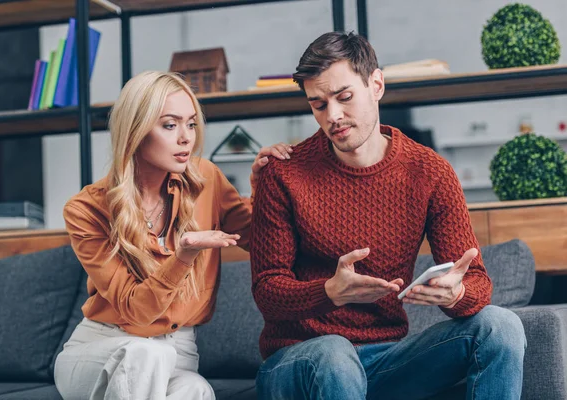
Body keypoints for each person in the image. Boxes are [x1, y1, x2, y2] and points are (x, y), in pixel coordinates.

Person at [250, 31, 526, 400]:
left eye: (344, 97)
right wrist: (330, 291)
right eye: (318, 105)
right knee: (334, 354)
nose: (333, 116)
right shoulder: (282, 173)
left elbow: (476, 284)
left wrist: (455, 292)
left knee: (500, 326)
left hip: (385, 359)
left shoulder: (430, 172)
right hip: (299, 360)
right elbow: (267, 291)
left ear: (376, 84)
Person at [54, 71, 292, 400]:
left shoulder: (206, 178)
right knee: (148, 353)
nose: (186, 138)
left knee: (196, 390)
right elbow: (136, 312)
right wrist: (183, 257)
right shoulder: (86, 209)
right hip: (103, 348)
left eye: (191, 124)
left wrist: (263, 185)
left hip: (179, 350)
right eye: (169, 125)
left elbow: (261, 238)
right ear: (135, 131)